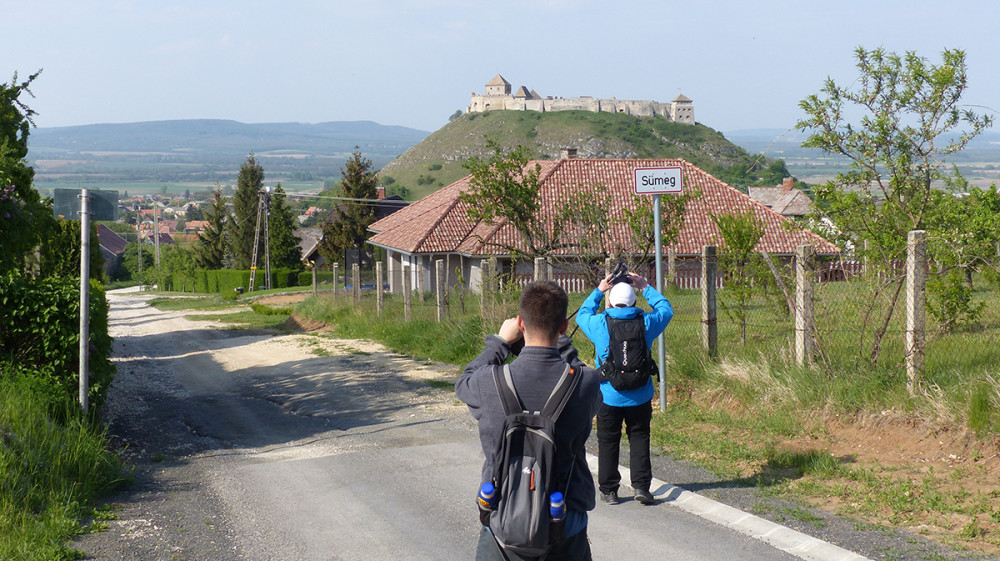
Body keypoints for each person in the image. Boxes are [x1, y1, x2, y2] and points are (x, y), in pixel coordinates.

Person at [457, 280, 603, 561]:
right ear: (562, 328)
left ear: (521, 324)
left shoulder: (489, 381)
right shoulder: (586, 383)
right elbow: (578, 371)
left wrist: (498, 343)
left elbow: (463, 382)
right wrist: (563, 347)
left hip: (503, 521)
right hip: (565, 523)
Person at [575, 271, 672, 506]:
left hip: (608, 395)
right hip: (640, 395)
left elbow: (582, 315)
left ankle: (609, 491)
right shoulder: (646, 323)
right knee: (640, 438)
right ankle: (641, 488)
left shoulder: (600, 324)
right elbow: (666, 310)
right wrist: (645, 286)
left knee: (608, 440)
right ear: (635, 302)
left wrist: (599, 290)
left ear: (609, 302)